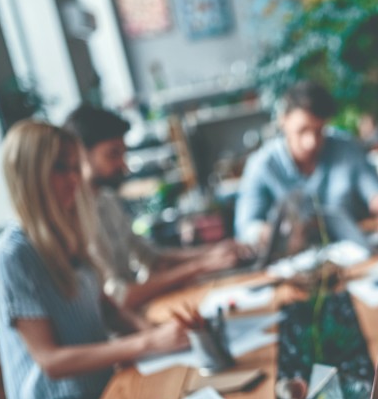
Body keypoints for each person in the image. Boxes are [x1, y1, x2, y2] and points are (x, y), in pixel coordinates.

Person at [0, 120, 198, 399]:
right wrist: (147, 342)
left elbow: (109, 310)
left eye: (73, 166)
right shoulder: (12, 255)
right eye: (59, 168)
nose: (74, 178)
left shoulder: (69, 234)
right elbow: (51, 360)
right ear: (30, 175)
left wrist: (159, 335)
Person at [63, 105, 248, 310]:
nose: (123, 166)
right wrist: (200, 265)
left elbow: (150, 256)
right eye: (112, 154)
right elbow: (119, 296)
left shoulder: (107, 199)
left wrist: (213, 252)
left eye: (123, 154)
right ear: (80, 154)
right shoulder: (75, 217)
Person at [233, 81, 378, 246]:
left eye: (318, 131)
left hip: (353, 254)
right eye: (302, 130)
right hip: (291, 262)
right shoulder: (261, 165)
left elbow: (376, 190)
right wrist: (265, 233)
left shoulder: (346, 149)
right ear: (283, 120)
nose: (311, 142)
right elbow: (245, 227)